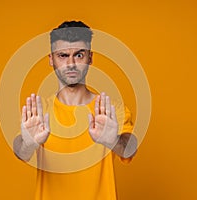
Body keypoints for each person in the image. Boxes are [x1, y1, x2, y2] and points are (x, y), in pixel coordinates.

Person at [13, 21, 138, 200]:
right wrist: (28, 144)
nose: (71, 64)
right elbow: (20, 150)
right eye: (63, 55)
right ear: (51, 59)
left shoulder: (110, 109)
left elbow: (130, 148)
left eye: (79, 55)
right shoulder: (40, 111)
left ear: (90, 57)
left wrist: (113, 141)